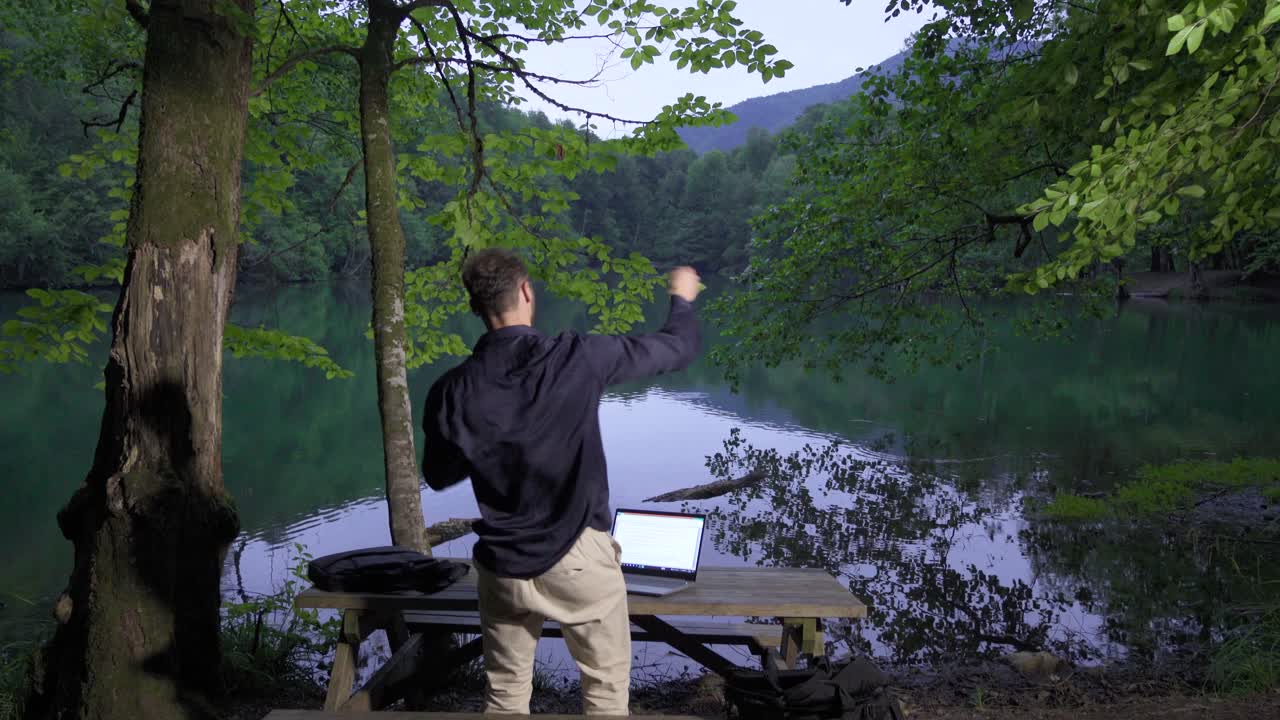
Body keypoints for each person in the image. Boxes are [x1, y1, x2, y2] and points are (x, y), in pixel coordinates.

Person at [420, 248, 702, 715]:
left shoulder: (453, 388)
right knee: (605, 695)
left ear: (476, 307)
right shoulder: (577, 358)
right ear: (526, 291)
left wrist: (488, 433)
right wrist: (682, 298)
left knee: (504, 699)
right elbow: (678, 348)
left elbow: (438, 474)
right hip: (579, 560)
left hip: (503, 565)